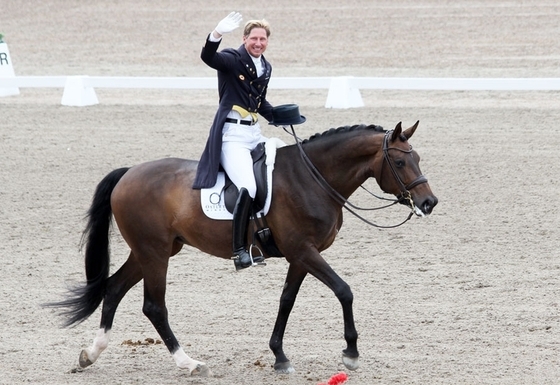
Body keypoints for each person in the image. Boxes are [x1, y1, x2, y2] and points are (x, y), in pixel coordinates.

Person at [192, 12, 276, 271]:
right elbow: (209, 58)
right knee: (248, 187)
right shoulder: (233, 58)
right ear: (245, 38)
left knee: (285, 163)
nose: (258, 43)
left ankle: (268, 233)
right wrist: (216, 34)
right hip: (233, 137)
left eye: (262, 39)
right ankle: (239, 249)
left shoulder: (266, 66)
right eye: (254, 38)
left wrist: (282, 115)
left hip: (253, 133)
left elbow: (258, 102)